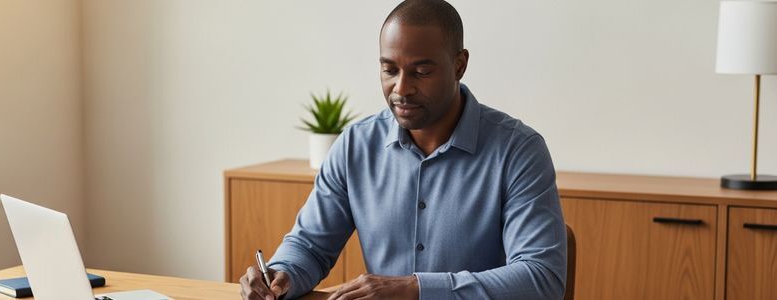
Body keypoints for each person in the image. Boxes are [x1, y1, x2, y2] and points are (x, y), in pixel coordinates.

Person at [240, 1, 566, 299]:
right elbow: (310, 245)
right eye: (389, 69)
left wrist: (416, 289)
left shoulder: (519, 151)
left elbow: (541, 279)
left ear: (459, 65)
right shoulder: (356, 145)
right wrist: (282, 273)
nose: (401, 88)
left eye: (421, 72)